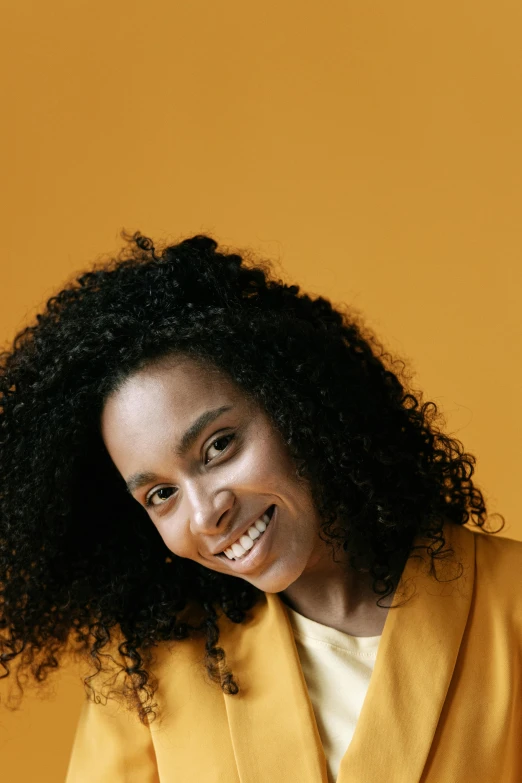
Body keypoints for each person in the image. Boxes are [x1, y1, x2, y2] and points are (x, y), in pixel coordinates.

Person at [0, 231, 520, 783]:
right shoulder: (147, 674)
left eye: (218, 446)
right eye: (160, 494)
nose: (205, 514)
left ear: (299, 402)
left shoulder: (508, 605)